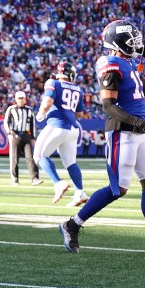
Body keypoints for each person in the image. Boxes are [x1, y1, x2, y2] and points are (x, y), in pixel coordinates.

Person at [61, 20, 145, 257]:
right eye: (131, 40)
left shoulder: (128, 62)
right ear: (116, 42)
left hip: (140, 131)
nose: (137, 44)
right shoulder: (111, 63)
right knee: (118, 189)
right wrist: (140, 122)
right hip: (122, 131)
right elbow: (108, 105)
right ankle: (72, 225)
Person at [33, 61, 90, 207]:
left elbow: (47, 102)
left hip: (57, 125)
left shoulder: (53, 83)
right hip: (73, 129)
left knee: (39, 156)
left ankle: (58, 183)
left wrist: (40, 114)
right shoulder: (78, 89)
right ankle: (80, 192)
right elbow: (79, 113)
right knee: (71, 163)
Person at [4, 91, 40, 185]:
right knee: (14, 158)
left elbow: (32, 124)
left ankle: (34, 178)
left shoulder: (29, 110)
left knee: (30, 157)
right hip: (15, 135)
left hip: (26, 135)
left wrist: (32, 137)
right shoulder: (11, 109)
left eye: (22, 98)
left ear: (25, 99)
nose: (21, 100)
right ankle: (15, 179)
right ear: (15, 100)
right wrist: (9, 134)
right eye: (19, 99)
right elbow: (6, 122)